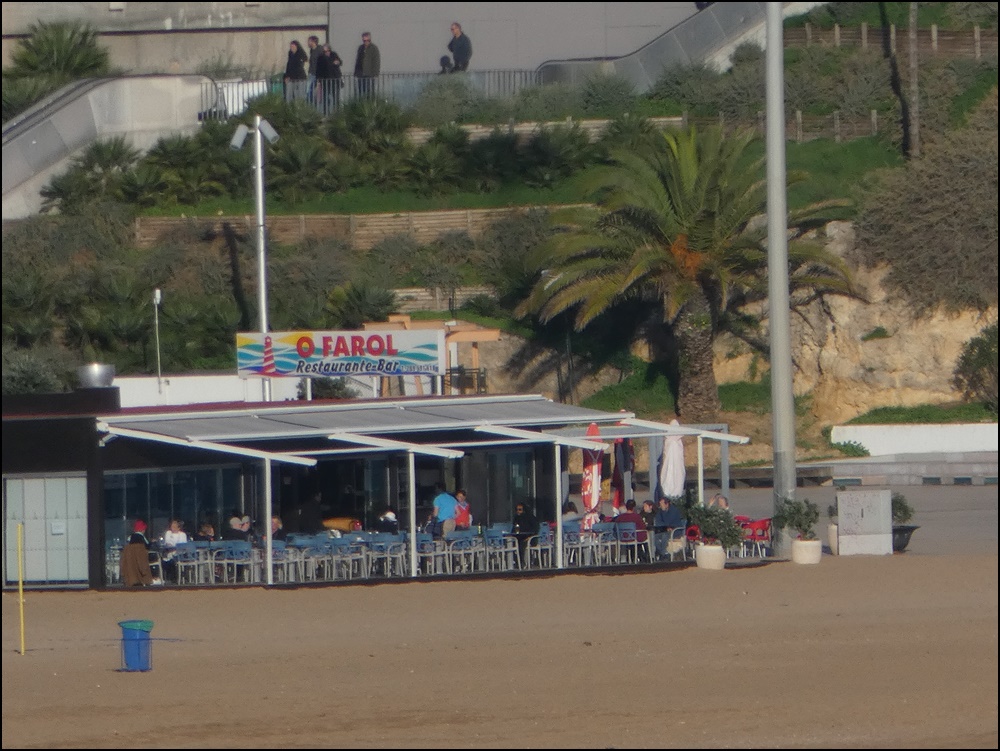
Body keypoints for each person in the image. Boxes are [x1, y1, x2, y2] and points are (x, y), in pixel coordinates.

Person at [120, 520, 154, 586]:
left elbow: (127, 546)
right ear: (143, 529)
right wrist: (152, 542)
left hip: (131, 559)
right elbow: (147, 546)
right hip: (141, 558)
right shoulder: (142, 536)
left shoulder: (130, 537)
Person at [316, 43, 343, 114]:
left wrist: (337, 62)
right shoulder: (321, 58)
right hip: (325, 80)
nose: (327, 53)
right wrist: (318, 80)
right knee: (325, 98)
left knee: (336, 97)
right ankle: (325, 113)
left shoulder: (334, 55)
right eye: (325, 51)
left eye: (328, 51)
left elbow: (340, 62)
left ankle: (336, 113)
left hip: (335, 80)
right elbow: (318, 69)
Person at [353, 31, 380, 98]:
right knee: (360, 91)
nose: (366, 42)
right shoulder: (360, 48)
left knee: (369, 91)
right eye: (364, 40)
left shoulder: (374, 48)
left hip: (369, 74)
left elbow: (376, 61)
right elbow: (358, 60)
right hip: (360, 73)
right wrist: (356, 72)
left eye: (368, 40)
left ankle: (369, 105)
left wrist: (375, 73)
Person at [305, 35, 321, 104]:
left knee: (313, 91)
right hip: (311, 73)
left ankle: (312, 105)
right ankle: (309, 104)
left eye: (309, 41)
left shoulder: (319, 50)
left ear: (313, 42)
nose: (308, 43)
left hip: (316, 74)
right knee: (308, 90)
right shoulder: (312, 50)